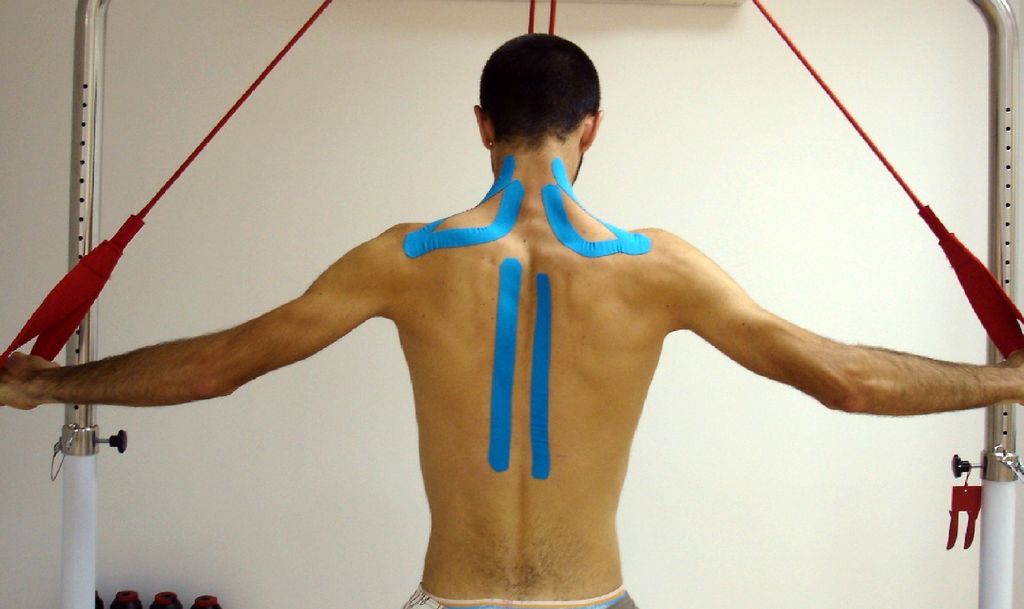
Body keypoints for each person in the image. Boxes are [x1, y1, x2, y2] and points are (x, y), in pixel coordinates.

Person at [1, 33, 1022, 609]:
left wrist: (47, 385)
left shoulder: (404, 259)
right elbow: (845, 379)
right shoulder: (659, 268)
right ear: (593, 129)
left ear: (483, 126)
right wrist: (1009, 378)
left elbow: (216, 367)